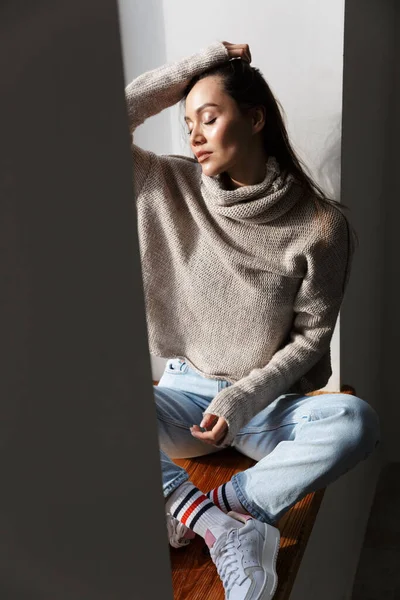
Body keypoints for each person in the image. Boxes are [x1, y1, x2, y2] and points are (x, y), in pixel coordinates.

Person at [125, 41, 380, 599]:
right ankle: (215, 524)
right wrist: (206, 61)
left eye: (209, 118)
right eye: (186, 121)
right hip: (185, 399)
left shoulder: (319, 226)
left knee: (355, 421)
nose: (193, 134)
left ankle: (227, 506)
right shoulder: (166, 186)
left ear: (255, 117)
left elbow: (313, 336)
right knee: (88, 397)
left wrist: (243, 397)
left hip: (263, 405)